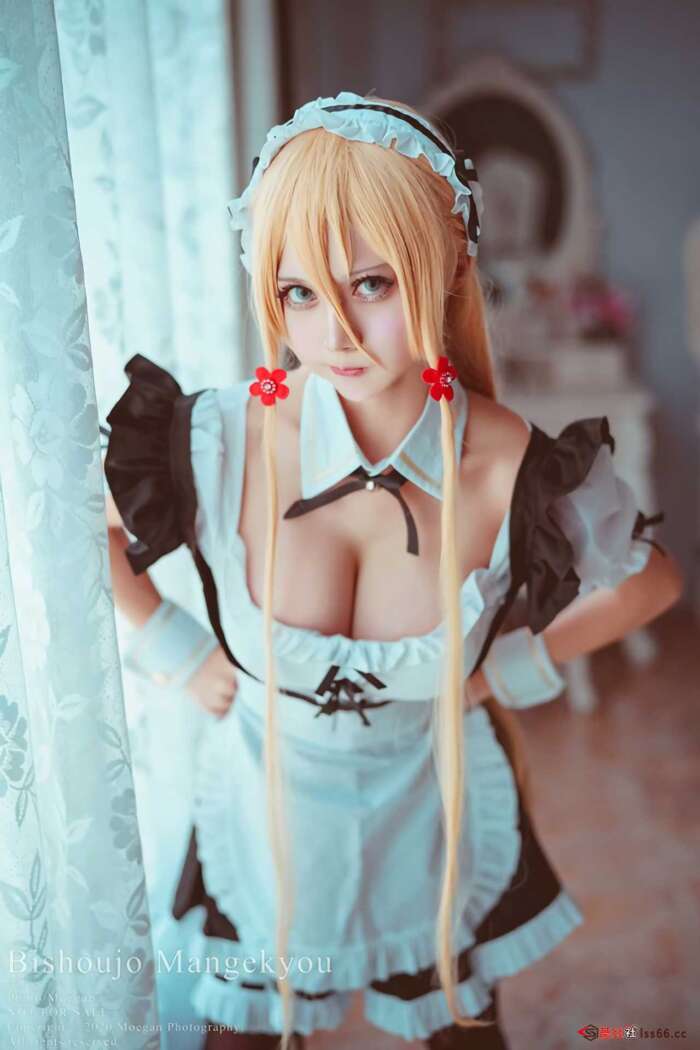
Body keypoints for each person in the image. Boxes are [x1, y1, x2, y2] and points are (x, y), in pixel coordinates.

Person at [102, 92, 683, 1049]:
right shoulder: (211, 442)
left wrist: (503, 673)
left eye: (370, 284)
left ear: (447, 267)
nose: (333, 332)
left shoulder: (513, 466)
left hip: (433, 813)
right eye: (298, 293)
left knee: (460, 1033)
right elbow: (83, 530)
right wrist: (175, 648)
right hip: (264, 817)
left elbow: (650, 582)